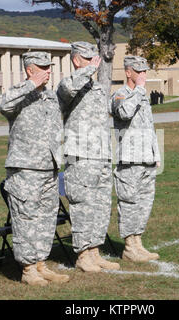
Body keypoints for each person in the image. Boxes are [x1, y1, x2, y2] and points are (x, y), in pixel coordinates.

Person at [0, 51, 70, 286]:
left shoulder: (50, 97)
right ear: (30, 69)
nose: (49, 70)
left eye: (50, 66)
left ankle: (40, 264)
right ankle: (28, 270)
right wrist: (30, 85)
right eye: (43, 67)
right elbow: (1, 103)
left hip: (50, 167)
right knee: (26, 217)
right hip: (25, 168)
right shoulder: (19, 94)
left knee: (46, 217)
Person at [57, 41, 120, 273]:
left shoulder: (98, 88)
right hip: (81, 155)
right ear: (76, 60)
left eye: (96, 59)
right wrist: (87, 70)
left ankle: (95, 251)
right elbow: (69, 90)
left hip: (101, 154)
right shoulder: (68, 83)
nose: (95, 62)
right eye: (89, 58)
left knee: (101, 205)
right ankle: (83, 255)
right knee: (83, 205)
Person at [110, 56, 161, 262]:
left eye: (145, 71)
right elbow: (124, 113)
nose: (143, 75)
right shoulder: (120, 95)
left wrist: (156, 154)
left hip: (146, 158)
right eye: (138, 71)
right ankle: (129, 247)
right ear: (128, 72)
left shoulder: (143, 96)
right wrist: (139, 90)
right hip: (130, 160)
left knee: (144, 203)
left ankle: (138, 242)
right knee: (129, 202)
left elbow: (149, 127)